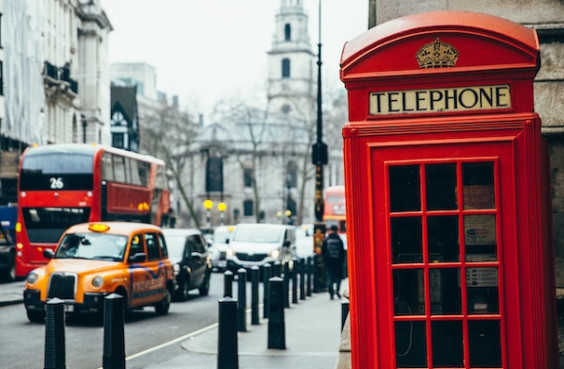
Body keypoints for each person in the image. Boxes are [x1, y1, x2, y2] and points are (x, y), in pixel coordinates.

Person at [321, 225, 345, 300]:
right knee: (338, 277)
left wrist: (324, 260)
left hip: (329, 262)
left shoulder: (326, 239)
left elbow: (323, 251)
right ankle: (337, 290)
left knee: (330, 277)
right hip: (338, 262)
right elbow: (342, 252)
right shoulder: (339, 239)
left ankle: (331, 292)